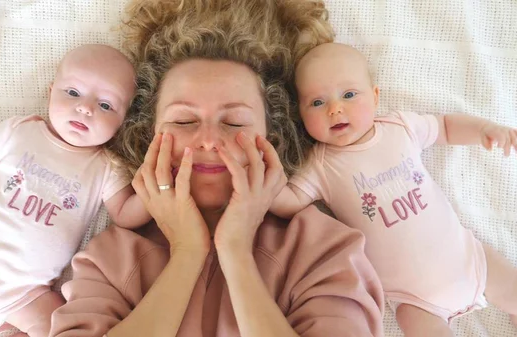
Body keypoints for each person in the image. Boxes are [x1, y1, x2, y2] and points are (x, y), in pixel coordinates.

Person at [49, 1, 385, 337]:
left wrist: (237, 252)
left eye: (234, 121)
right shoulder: (111, 258)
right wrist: (186, 254)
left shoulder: (322, 249)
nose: (208, 140)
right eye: (184, 120)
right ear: (145, 134)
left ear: (275, 135)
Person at [270, 42, 517, 336]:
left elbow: (446, 127)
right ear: (300, 113)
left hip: (470, 260)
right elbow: (289, 202)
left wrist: (482, 130)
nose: (335, 109)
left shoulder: (400, 127)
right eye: (317, 103)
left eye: (349, 95)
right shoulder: (320, 166)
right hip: (415, 300)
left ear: (375, 97)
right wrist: (265, 182)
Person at [0, 44, 150, 337]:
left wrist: (153, 191)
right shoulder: (21, 131)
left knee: (59, 326)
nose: (86, 108)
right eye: (73, 93)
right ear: (50, 92)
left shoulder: (105, 167)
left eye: (105, 105)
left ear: (121, 123)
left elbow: (126, 214)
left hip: (28, 294)